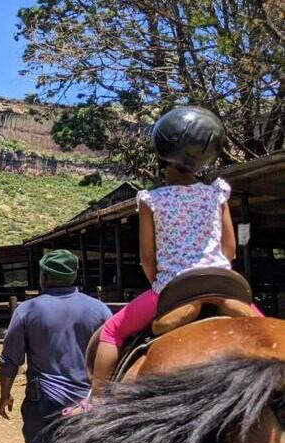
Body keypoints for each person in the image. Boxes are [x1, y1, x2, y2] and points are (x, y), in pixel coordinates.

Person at [90, 106, 256, 394]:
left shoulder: (151, 200)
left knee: (111, 331)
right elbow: (229, 250)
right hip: (223, 284)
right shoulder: (217, 192)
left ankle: (95, 401)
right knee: (268, 333)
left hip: (174, 287)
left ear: (162, 153)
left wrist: (158, 283)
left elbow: (146, 258)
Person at [0, 250, 111, 443]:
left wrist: (4, 393)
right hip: (89, 405)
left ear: (44, 277)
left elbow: (10, 359)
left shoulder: (28, 310)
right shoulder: (99, 310)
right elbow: (112, 356)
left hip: (44, 401)